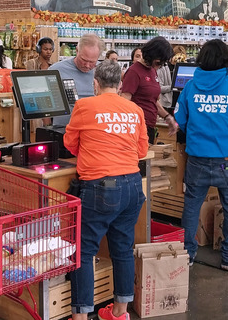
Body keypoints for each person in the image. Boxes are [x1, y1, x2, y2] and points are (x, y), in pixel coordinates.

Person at [63, 60, 148, 320]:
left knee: (84, 251)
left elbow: (70, 144)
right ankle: (120, 312)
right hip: (133, 186)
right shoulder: (134, 110)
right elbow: (142, 151)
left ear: (95, 83)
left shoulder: (84, 105)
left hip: (99, 188)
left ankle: (80, 316)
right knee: (122, 248)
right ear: (121, 84)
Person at [175, 39, 228, 270]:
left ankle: (188, 254)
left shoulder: (190, 87)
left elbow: (180, 120)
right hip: (227, 160)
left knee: (191, 206)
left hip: (197, 159)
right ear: (226, 60)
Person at [120, 37, 177, 143]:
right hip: (137, 128)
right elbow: (124, 101)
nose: (159, 66)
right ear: (151, 55)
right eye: (158, 62)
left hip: (149, 127)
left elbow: (153, 100)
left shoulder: (152, 70)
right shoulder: (134, 72)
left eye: (162, 64)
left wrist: (167, 116)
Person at [50, 33, 103, 126]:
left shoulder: (103, 71)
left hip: (94, 129)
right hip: (64, 129)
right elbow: (46, 104)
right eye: (84, 60)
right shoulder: (56, 70)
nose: (87, 65)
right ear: (77, 50)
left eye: (92, 62)